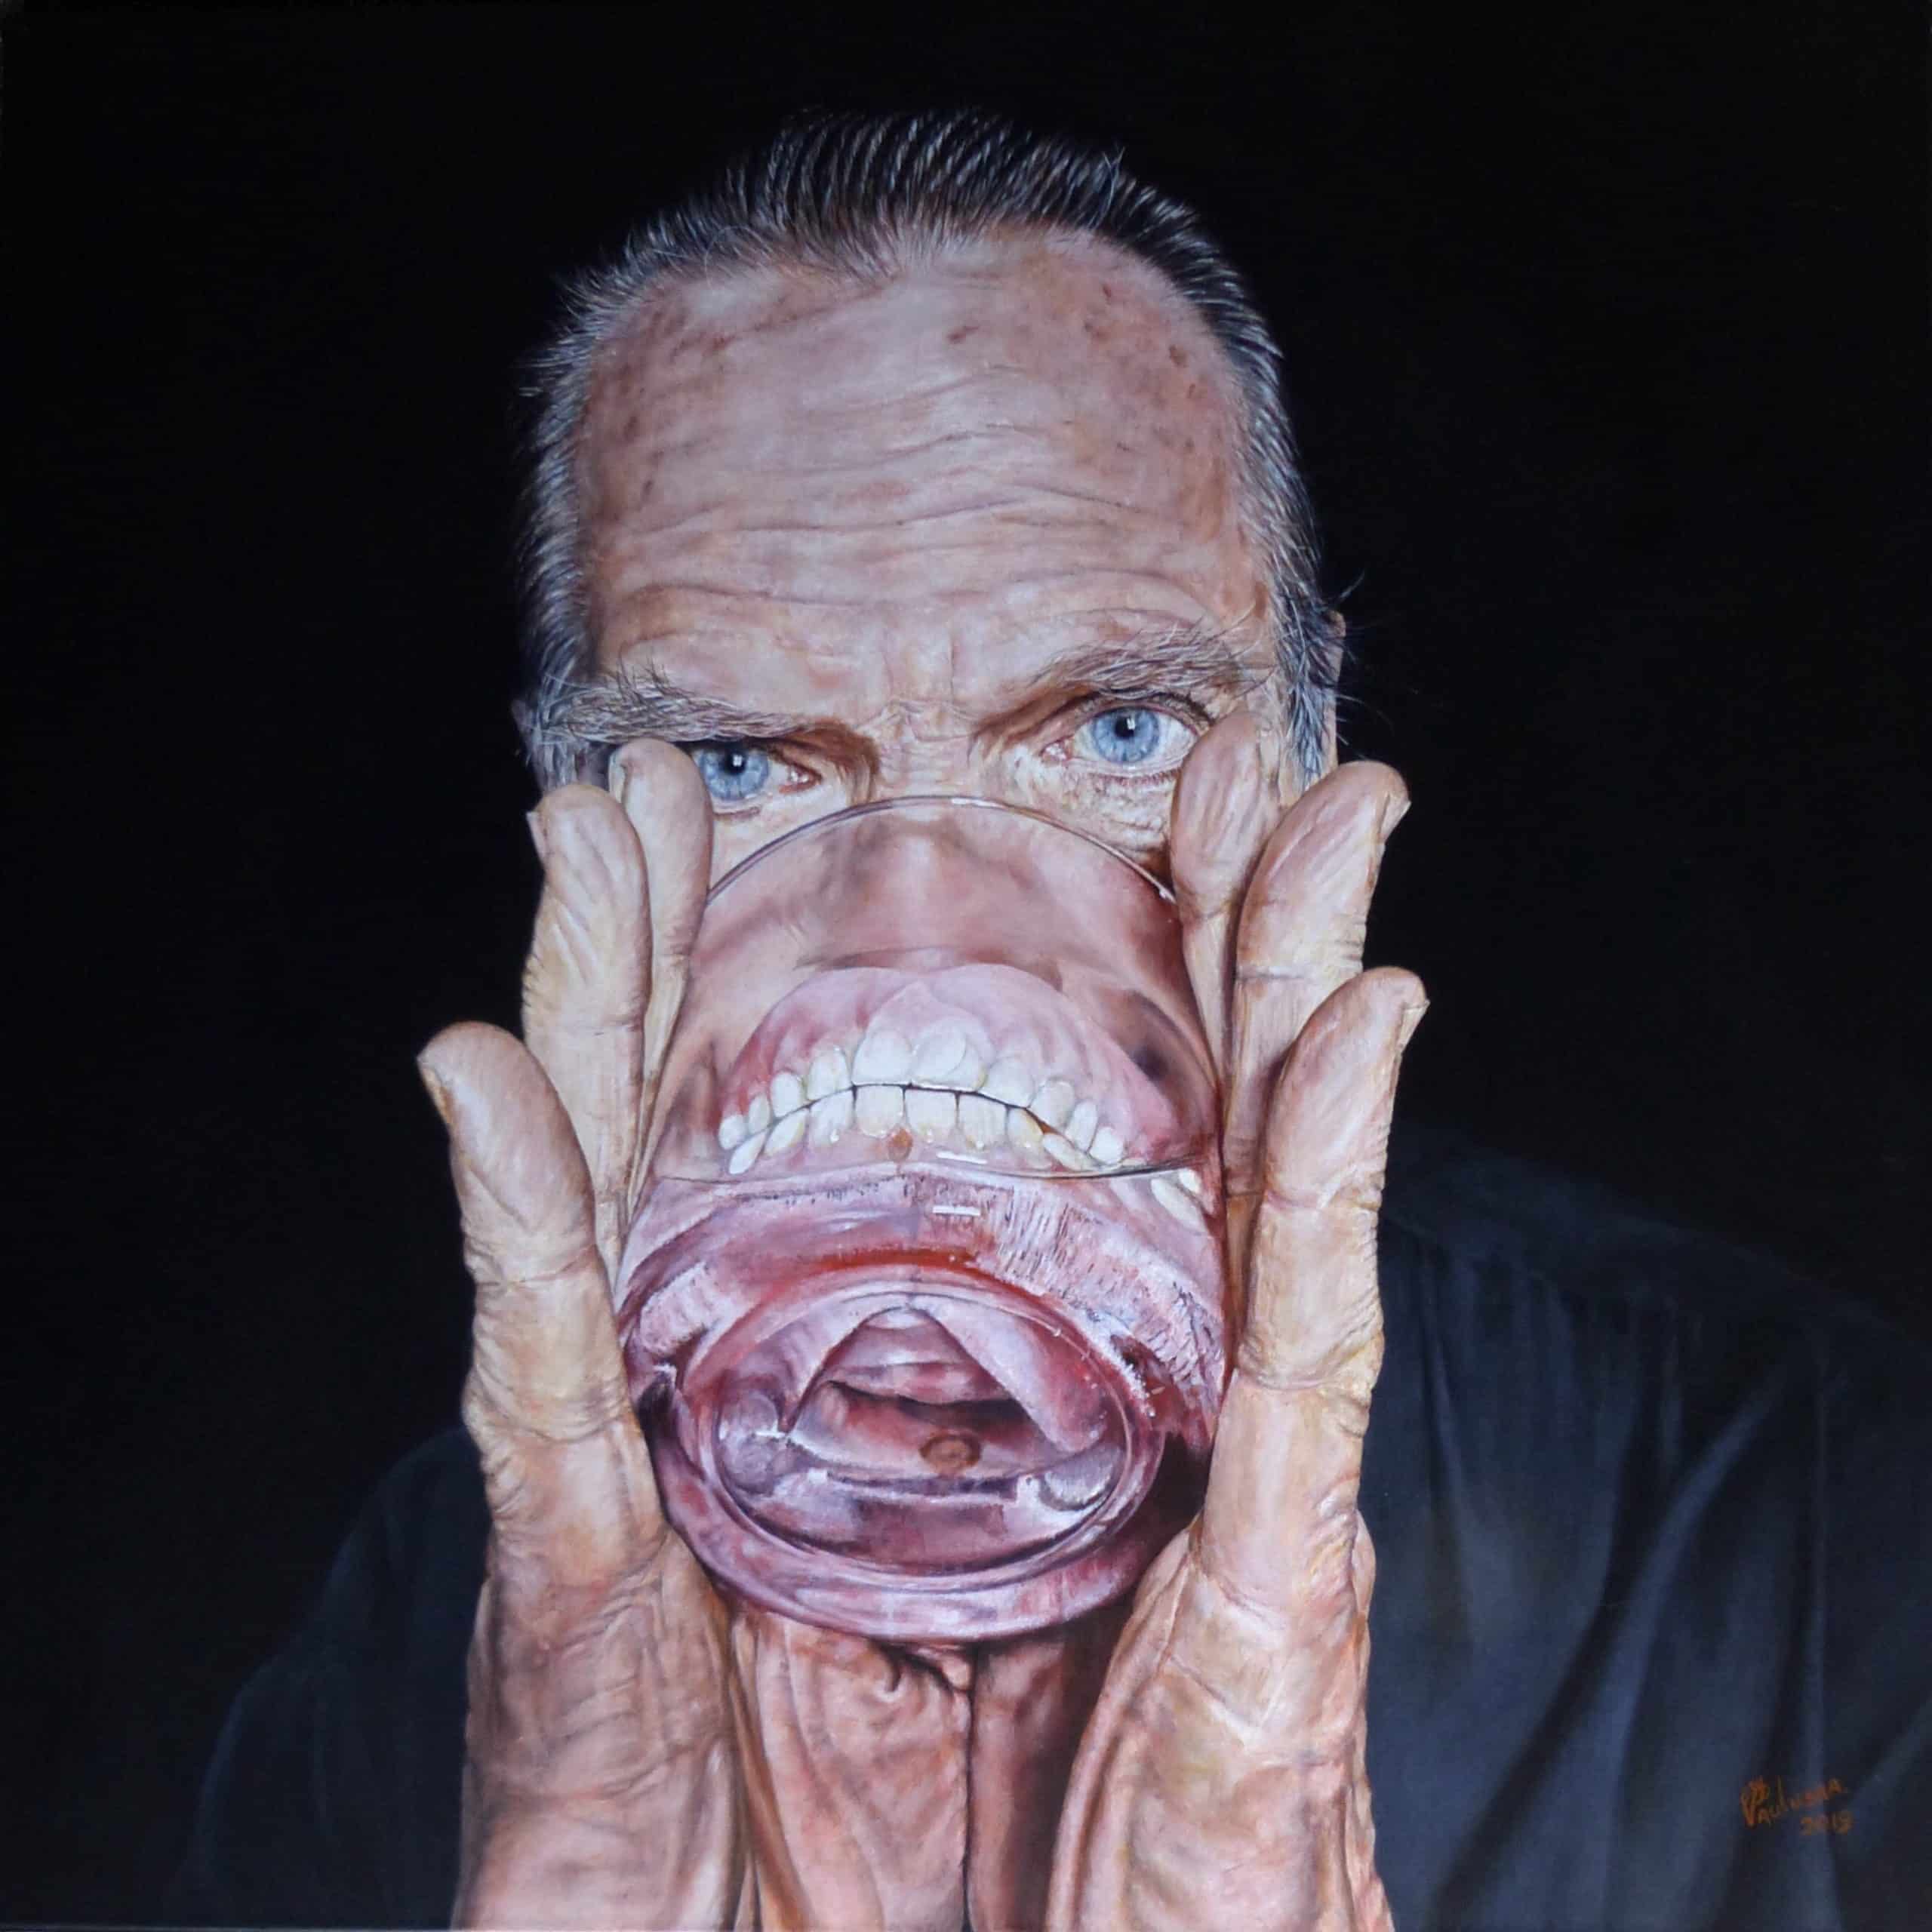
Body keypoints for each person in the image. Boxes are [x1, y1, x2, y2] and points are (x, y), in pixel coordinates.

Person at [168, 109, 1930, 1930]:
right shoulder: (430, 1627)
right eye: (736, 761)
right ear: (575, 828)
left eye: (1113, 732)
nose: (921, 933)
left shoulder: (1814, 1531)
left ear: (1304, 757)